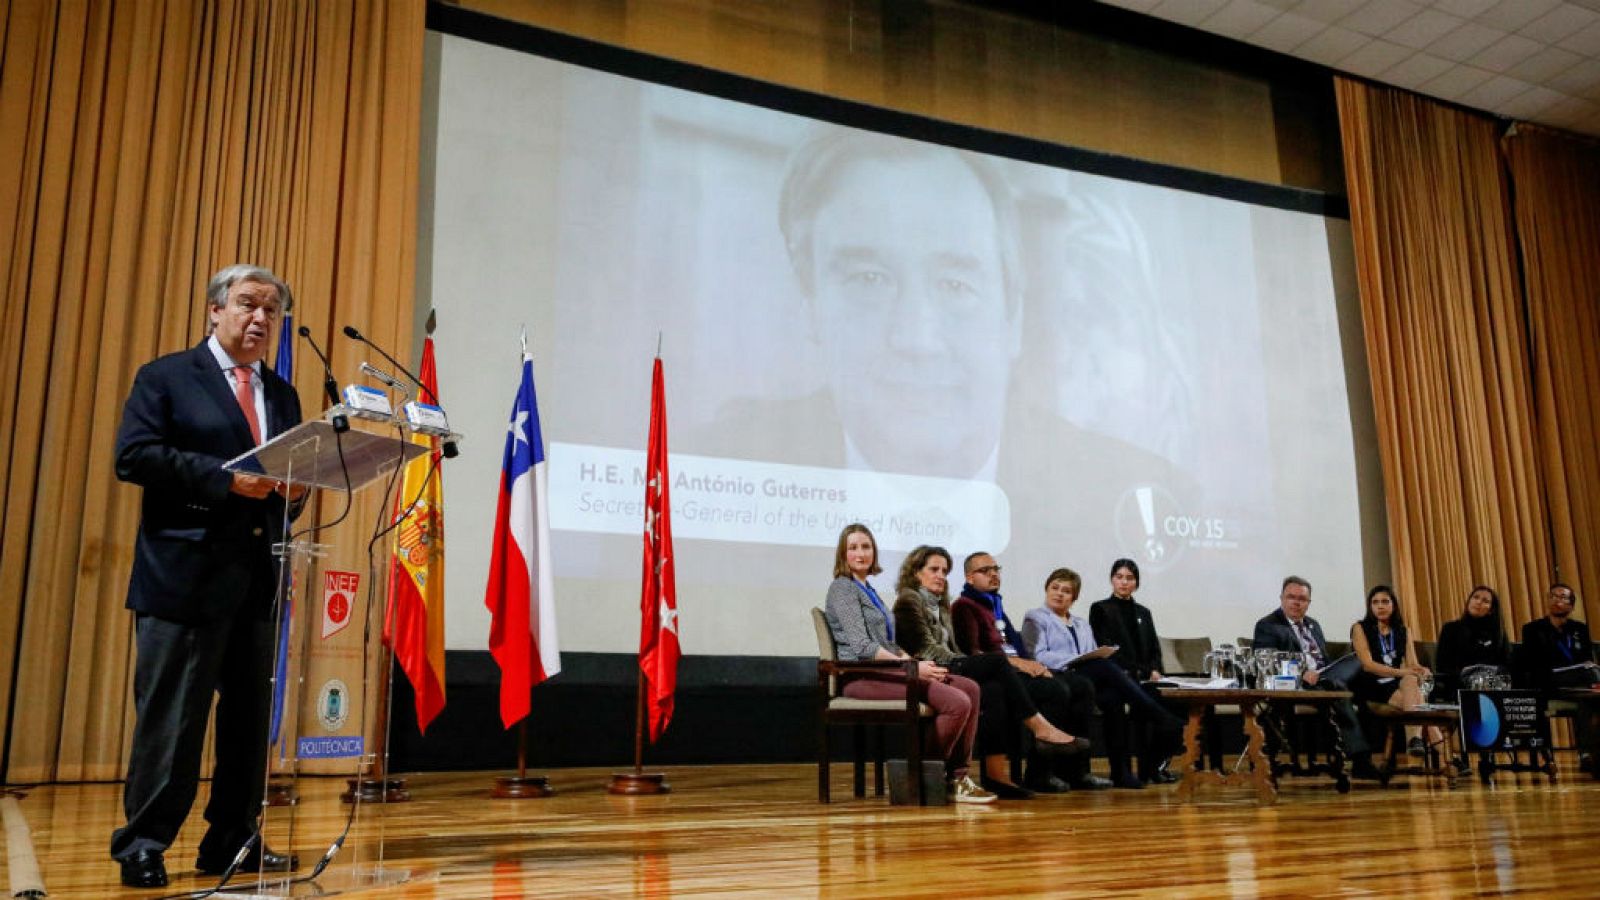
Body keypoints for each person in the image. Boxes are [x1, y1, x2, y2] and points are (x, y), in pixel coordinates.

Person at [111, 265, 306, 888]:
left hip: (257, 580)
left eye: (272, 310)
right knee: (174, 721)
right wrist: (225, 480)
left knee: (248, 722)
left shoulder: (282, 394)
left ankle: (233, 840)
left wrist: (299, 490)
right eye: (248, 304)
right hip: (184, 578)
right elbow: (134, 456)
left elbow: (286, 478)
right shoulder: (167, 376)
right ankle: (144, 844)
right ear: (215, 310)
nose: (260, 318)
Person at [892, 546, 1087, 797]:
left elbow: (955, 646)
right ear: (916, 573)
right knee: (997, 663)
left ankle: (997, 777)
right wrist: (962, 663)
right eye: (934, 569)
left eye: (944, 571)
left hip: (950, 665)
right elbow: (925, 648)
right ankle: (1040, 728)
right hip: (929, 670)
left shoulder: (940, 604)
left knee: (995, 690)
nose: (941, 575)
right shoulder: (910, 600)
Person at [821, 524, 995, 803]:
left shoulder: (867, 589)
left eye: (866, 546)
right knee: (957, 702)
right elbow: (863, 646)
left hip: (886, 672)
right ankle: (925, 777)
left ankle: (956, 778)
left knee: (971, 689)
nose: (861, 553)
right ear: (843, 554)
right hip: (861, 677)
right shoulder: (842, 588)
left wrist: (914, 663)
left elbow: (888, 644)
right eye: (853, 547)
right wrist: (911, 668)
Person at [950, 552, 1106, 792]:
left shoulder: (994, 605)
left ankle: (1075, 770)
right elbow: (973, 652)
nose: (993, 574)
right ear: (969, 578)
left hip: (1014, 670)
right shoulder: (964, 606)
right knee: (1055, 690)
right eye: (985, 570)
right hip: (995, 675)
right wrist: (1019, 664)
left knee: (1081, 685)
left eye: (996, 569)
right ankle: (1039, 773)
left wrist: (1031, 664)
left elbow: (1016, 645)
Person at [1024, 567, 1184, 789]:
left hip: (1084, 679)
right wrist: (1074, 659)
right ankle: (1158, 714)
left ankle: (1118, 773)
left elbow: (1091, 652)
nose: (1059, 594)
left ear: (1074, 597)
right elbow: (1037, 655)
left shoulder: (1080, 624)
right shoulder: (1035, 618)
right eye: (1055, 588)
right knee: (1103, 666)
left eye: (1066, 591)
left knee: (1113, 696)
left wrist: (1090, 657)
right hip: (1056, 675)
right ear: (1047, 589)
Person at [1251, 576, 1379, 779]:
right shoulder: (1268, 625)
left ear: (1308, 602)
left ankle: (1353, 689)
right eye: (1291, 597)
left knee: (1358, 663)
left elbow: (1324, 660)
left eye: (1302, 599)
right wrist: (1302, 673)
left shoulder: (1313, 625)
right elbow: (1267, 661)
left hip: (1322, 678)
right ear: (1282, 598)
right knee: (1339, 688)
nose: (1296, 602)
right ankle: (1361, 760)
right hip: (1295, 684)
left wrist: (1322, 672)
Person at [1086, 558, 1180, 783]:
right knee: (1115, 700)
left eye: (1129, 578)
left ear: (1136, 582)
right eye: (1119, 577)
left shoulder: (1143, 612)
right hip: (1118, 678)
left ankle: (1152, 768)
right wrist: (1141, 671)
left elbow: (1154, 648)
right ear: (1112, 580)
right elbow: (1106, 649)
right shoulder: (1101, 609)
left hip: (1146, 678)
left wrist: (1154, 669)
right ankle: (1122, 772)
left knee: (1172, 706)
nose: (1124, 582)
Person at [1349, 585, 1439, 755]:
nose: (1380, 606)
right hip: (1370, 683)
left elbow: (1412, 664)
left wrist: (1422, 670)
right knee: (1419, 703)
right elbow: (1367, 665)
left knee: (1412, 681)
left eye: (1385, 602)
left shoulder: (1403, 631)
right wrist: (1403, 672)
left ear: (1394, 605)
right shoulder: (1360, 628)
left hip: (1396, 683)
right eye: (1375, 602)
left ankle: (1414, 740)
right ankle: (1444, 752)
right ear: (1370, 606)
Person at [1518, 583, 1597, 773]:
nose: (1557, 600)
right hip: (1548, 683)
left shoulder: (1579, 629)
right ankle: (1549, 756)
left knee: (1589, 698)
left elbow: (1587, 658)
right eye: (1553, 596)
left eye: (1563, 597)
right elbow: (1531, 663)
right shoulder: (1532, 629)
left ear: (1571, 605)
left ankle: (1587, 753)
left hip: (1577, 684)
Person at [1434, 585, 1510, 697]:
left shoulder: (1498, 634)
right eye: (1475, 597)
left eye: (1485, 601)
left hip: (1492, 685)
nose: (1478, 602)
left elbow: (1506, 666)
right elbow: (1442, 665)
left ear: (1491, 610)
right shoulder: (1451, 629)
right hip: (1459, 684)